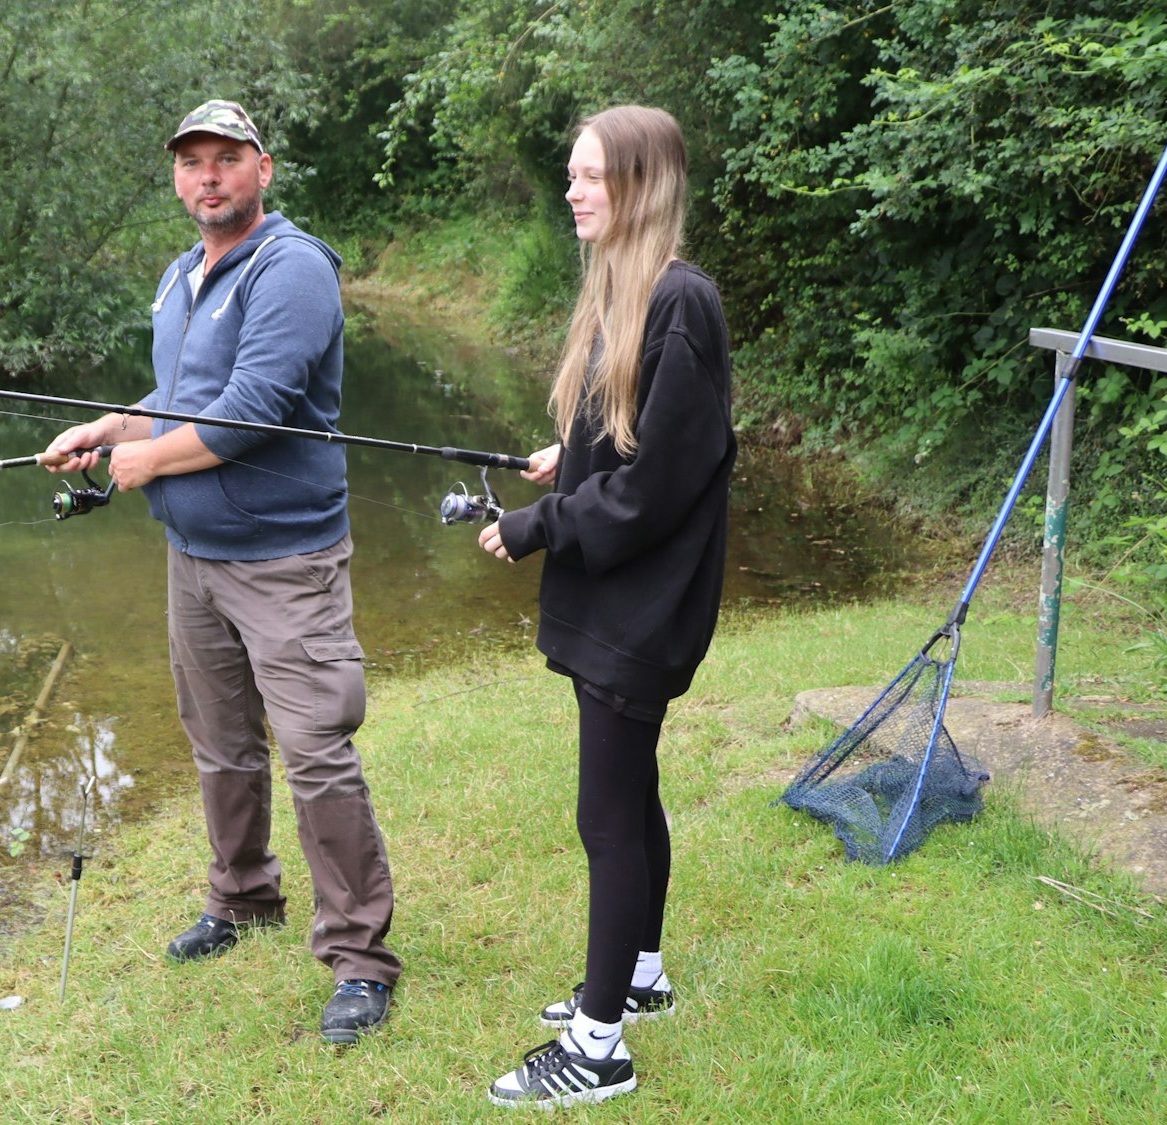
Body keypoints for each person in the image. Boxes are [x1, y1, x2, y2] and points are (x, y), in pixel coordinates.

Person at [45, 99, 400, 1044]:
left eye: (227, 159)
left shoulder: (293, 269)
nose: (209, 175)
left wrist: (148, 461)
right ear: (176, 177)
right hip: (193, 560)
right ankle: (242, 898)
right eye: (193, 161)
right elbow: (183, 398)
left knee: (317, 751)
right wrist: (113, 427)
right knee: (220, 743)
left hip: (285, 561)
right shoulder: (179, 276)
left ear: (263, 170)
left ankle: (360, 958)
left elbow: (252, 410)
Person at [475, 105, 735, 1109]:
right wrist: (568, 459)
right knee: (632, 796)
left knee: (604, 817)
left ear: (638, 185)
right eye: (572, 174)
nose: (573, 190)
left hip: (645, 606)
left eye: (589, 176)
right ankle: (637, 977)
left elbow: (661, 483)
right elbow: (628, 443)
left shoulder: (680, 301)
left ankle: (597, 1049)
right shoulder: (628, 294)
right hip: (618, 600)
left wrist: (541, 522)